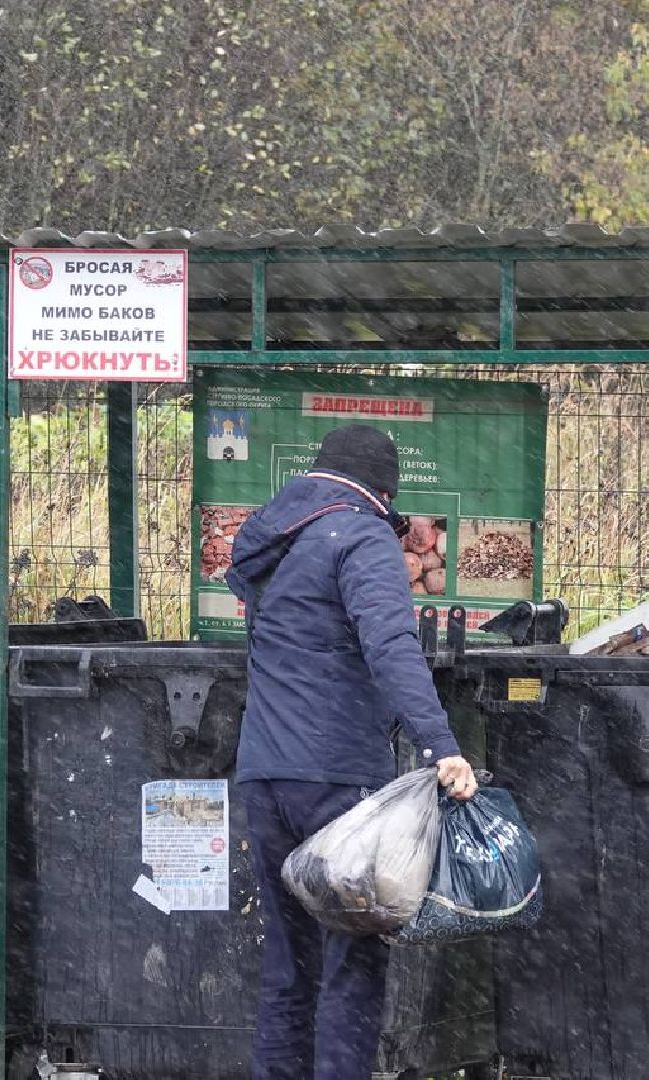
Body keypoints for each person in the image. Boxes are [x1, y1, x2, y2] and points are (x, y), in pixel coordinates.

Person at [225, 423, 478, 1080]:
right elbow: (390, 645)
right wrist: (440, 746)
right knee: (352, 963)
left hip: (265, 774)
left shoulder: (273, 539)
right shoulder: (362, 537)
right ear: (382, 491)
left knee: (289, 967)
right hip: (335, 780)